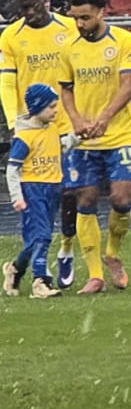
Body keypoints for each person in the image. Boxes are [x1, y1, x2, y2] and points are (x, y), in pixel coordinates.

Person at [54, 0, 131, 294]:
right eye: (75, 18)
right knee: (85, 199)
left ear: (102, 12)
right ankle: (94, 275)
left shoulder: (125, 41)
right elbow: (66, 89)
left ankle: (113, 253)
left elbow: (128, 83)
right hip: (84, 139)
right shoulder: (69, 47)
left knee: (122, 198)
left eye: (86, 18)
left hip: (119, 135)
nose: (79, 24)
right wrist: (77, 120)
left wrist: (104, 118)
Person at [0, 0, 79, 285]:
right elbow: (7, 82)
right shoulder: (10, 37)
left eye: (35, 5)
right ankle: (37, 274)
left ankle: (64, 251)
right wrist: (13, 122)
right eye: (24, 8)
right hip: (32, 129)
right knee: (39, 210)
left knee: (69, 196)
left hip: (66, 126)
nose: (30, 12)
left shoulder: (68, 29)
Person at [7, 84, 68, 298]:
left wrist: (79, 138)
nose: (55, 110)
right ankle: (40, 281)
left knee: (36, 240)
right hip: (33, 189)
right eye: (51, 106)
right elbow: (12, 169)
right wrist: (17, 197)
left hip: (53, 188)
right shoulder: (24, 137)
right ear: (37, 107)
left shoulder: (51, 129)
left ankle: (15, 269)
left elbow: (59, 147)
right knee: (42, 237)